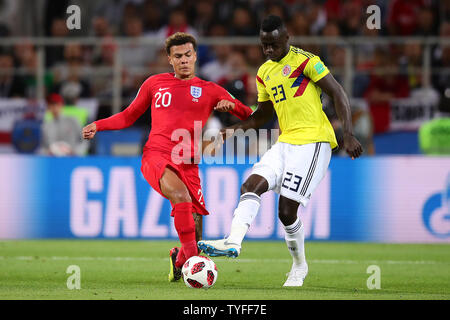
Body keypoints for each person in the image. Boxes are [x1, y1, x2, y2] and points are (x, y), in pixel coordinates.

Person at [198, 16, 363, 287]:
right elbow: (262, 115)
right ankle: (233, 241)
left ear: (287, 38)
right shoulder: (264, 72)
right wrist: (230, 131)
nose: (268, 51)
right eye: (264, 45)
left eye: (273, 45)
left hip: (314, 143)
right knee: (251, 184)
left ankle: (299, 267)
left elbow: (338, 93)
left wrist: (347, 133)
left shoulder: (307, 61)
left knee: (286, 212)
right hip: (285, 142)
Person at [81, 32, 253, 282]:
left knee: (195, 227)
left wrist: (230, 111)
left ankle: (180, 259)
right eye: (178, 56)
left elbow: (250, 116)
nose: (183, 60)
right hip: (157, 154)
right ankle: (195, 262)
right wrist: (99, 124)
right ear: (169, 59)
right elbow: (129, 116)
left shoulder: (211, 90)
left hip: (190, 162)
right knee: (181, 196)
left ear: (195, 56)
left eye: (188, 55)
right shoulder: (155, 83)